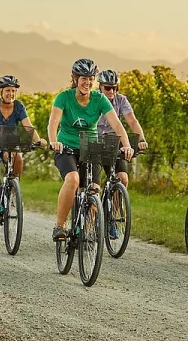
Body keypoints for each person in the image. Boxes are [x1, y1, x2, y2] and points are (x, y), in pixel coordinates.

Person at [47, 59, 134, 242]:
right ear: (75, 78)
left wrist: (126, 144)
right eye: (83, 78)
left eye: (91, 78)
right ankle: (60, 226)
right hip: (66, 147)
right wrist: (54, 141)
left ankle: (86, 229)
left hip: (90, 147)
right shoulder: (64, 98)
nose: (87, 82)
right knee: (73, 180)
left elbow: (117, 124)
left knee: (94, 189)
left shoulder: (99, 99)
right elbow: (53, 123)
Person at [0, 75, 46, 241]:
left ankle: (13, 190)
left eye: (13, 91)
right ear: (1, 91)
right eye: (7, 91)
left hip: (7, 144)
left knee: (18, 156)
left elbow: (28, 126)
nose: (11, 94)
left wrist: (38, 140)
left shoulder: (19, 107)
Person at [95, 69, 148, 239]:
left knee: (122, 179)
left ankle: (111, 217)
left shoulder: (121, 100)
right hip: (94, 143)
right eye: (108, 88)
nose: (111, 92)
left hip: (114, 142)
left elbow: (132, 120)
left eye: (114, 88)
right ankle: (89, 216)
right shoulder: (94, 99)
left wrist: (141, 139)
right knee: (91, 184)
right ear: (100, 87)